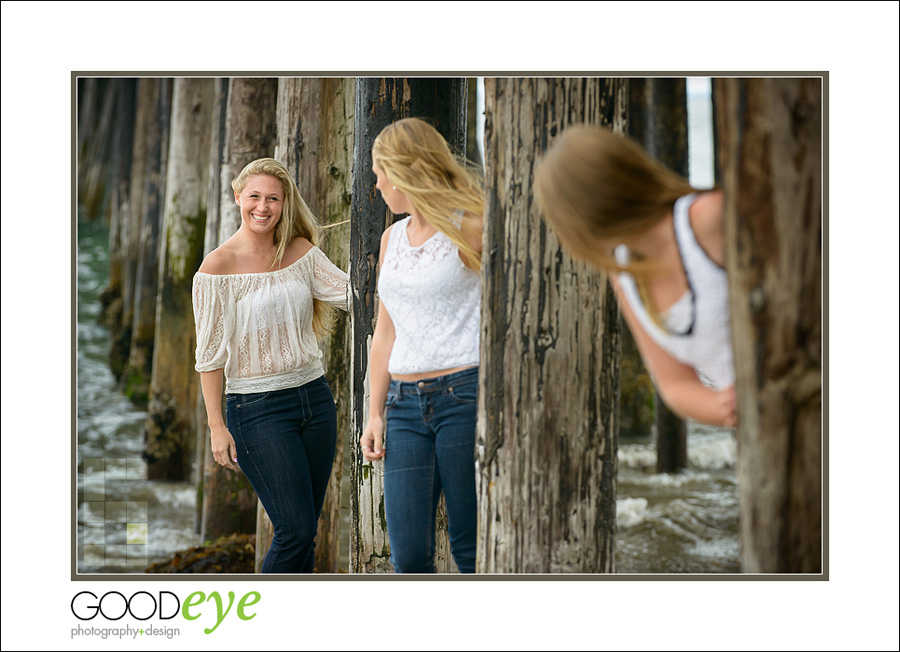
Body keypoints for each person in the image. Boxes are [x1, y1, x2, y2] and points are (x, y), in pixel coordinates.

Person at [192, 158, 349, 573]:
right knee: (294, 531)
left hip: (315, 401)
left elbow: (353, 295)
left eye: (273, 199)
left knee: (305, 531)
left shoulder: (300, 252)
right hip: (257, 409)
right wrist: (216, 426)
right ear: (238, 196)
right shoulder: (217, 267)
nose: (263, 207)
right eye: (255, 197)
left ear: (285, 204)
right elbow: (209, 356)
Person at [535, 125, 736, 428]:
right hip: (768, 439)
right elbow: (675, 384)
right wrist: (727, 407)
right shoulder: (627, 277)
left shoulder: (707, 219)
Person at [359, 117, 484, 573]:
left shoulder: (471, 225)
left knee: (470, 549)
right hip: (404, 406)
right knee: (409, 557)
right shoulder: (392, 237)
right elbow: (385, 331)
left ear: (402, 170)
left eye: (378, 172)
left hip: (464, 396)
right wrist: (375, 413)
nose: (376, 184)